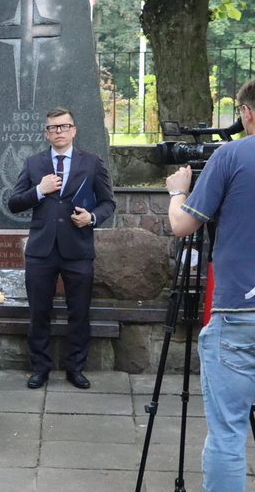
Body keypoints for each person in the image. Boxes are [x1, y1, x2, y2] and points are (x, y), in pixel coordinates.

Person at [165, 79, 255, 492]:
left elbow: (184, 224)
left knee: (227, 433)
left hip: (239, 313)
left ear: (247, 113)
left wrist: (178, 192)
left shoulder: (232, 155)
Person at [8, 107, 116, 390]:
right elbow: (14, 202)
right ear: (46, 133)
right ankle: (40, 368)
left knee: (79, 312)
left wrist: (91, 218)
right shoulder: (33, 164)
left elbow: (108, 203)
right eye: (53, 128)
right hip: (41, 250)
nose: (59, 131)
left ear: (73, 130)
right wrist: (40, 190)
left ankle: (75, 368)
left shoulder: (92, 163)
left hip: (78, 249)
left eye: (64, 126)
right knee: (38, 312)